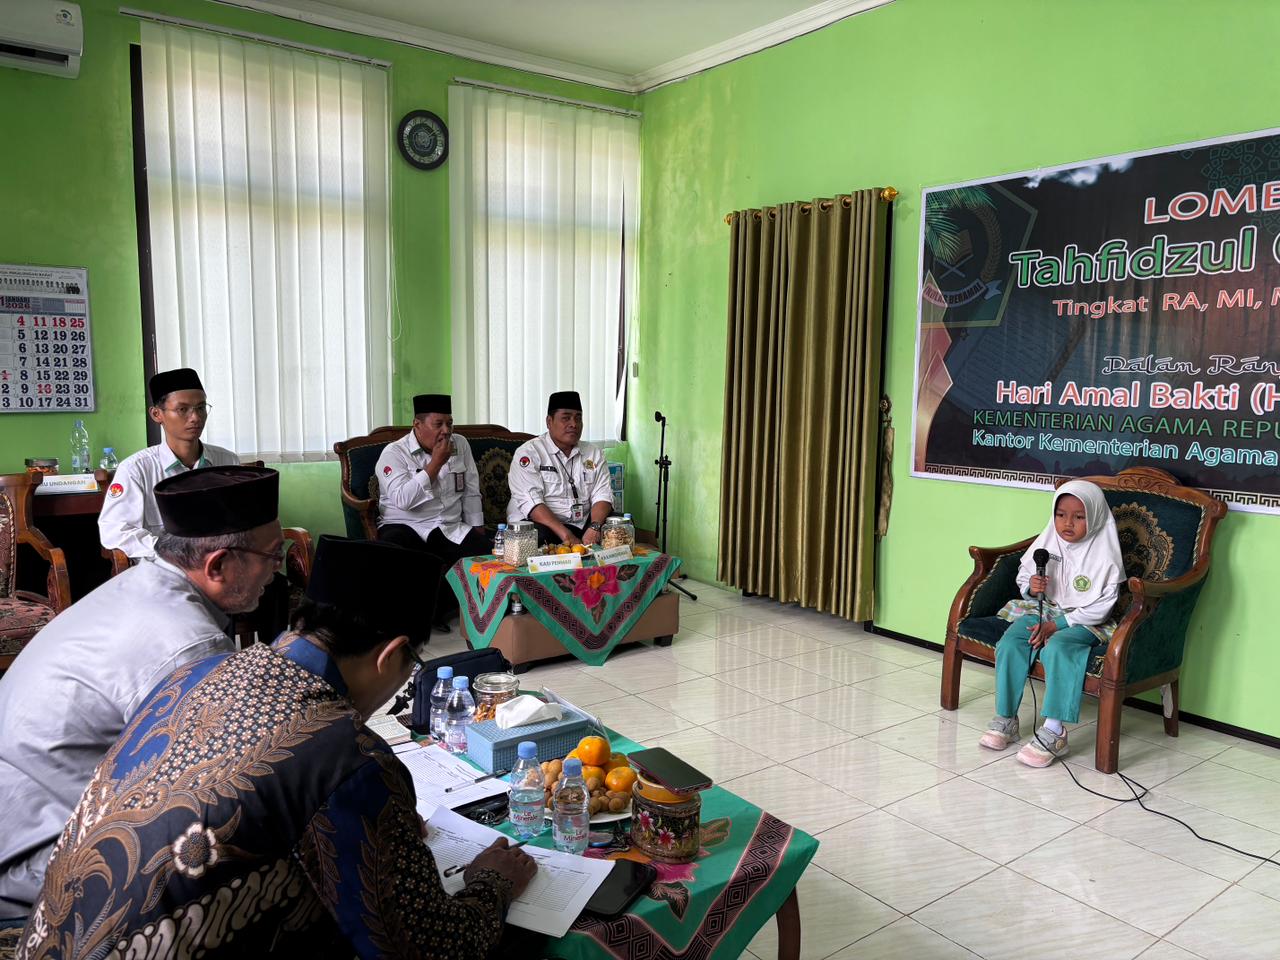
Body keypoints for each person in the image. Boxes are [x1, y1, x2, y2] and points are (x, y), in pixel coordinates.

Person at [17, 536, 537, 960]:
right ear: (392, 654)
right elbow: (430, 950)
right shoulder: (348, 756)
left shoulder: (196, 674)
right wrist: (491, 883)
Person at [0, 466, 283, 920]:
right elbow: (224, 788)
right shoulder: (189, 646)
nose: (279, 567)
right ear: (217, 565)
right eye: (273, 554)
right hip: (37, 859)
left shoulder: (140, 584)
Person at [978, 480, 1125, 767]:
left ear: (1095, 517)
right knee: (1012, 642)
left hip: (1085, 620)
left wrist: (1058, 625)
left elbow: (1102, 607)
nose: (1068, 523)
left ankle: (1054, 731)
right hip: (1047, 609)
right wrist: (1032, 586)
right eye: (1061, 514)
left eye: (1079, 516)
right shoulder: (1048, 543)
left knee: (1059, 647)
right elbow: (1024, 576)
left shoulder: (1105, 555)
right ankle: (1006, 718)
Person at [375, 393, 490, 630]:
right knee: (396, 551)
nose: (446, 431)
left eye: (450, 423)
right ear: (417, 424)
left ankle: (443, 608)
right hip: (405, 524)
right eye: (438, 424)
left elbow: (470, 490)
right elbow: (402, 500)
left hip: (448, 526)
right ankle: (422, 614)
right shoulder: (394, 453)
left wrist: (477, 528)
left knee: (487, 556)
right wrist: (435, 464)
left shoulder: (460, 444)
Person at [97, 367, 240, 558]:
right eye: (182, 409)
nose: (195, 417)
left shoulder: (227, 461)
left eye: (201, 408)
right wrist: (172, 551)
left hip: (221, 563)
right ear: (157, 414)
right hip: (164, 566)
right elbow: (115, 532)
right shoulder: (136, 469)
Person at [506, 390, 614, 546]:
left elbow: (602, 494)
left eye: (578, 418)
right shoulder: (529, 453)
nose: (574, 424)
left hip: (581, 524)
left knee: (619, 524)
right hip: (542, 524)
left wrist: (595, 527)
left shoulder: (593, 453)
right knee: (534, 537)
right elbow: (532, 503)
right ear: (549, 422)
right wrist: (567, 536)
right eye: (566, 418)